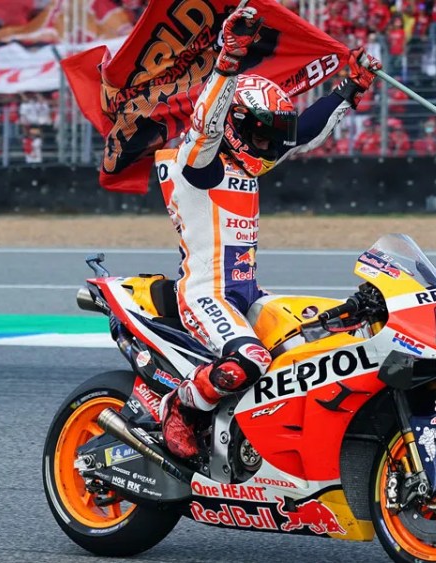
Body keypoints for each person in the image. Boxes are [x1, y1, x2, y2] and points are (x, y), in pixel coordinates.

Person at [154, 6, 381, 459]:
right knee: (251, 361)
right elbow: (204, 126)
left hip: (247, 293)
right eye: (261, 134)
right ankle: (178, 408)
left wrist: (350, 87)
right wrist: (228, 60)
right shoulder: (200, 165)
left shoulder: (249, 162)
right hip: (206, 295)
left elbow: (305, 133)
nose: (269, 145)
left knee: (319, 342)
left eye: (272, 136)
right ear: (235, 125)